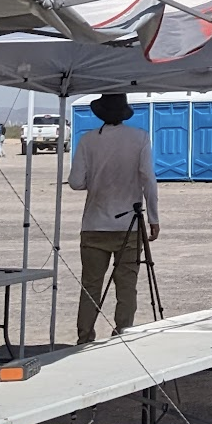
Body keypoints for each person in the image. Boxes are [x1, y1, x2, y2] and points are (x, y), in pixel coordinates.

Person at [70, 94, 158, 344]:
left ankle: (85, 337)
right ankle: (122, 334)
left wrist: (94, 181)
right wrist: (153, 216)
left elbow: (76, 182)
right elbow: (148, 180)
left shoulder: (87, 141)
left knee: (90, 287)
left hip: (94, 225)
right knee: (127, 287)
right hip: (128, 225)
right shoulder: (139, 138)